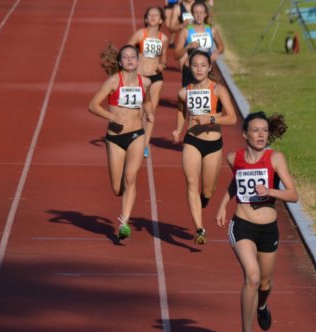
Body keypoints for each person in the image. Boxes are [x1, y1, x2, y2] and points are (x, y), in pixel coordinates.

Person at [216, 112, 299, 332]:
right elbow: (237, 181)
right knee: (251, 277)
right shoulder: (234, 158)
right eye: (255, 130)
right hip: (242, 225)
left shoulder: (275, 158)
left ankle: (262, 306)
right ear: (245, 134)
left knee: (265, 284)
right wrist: (223, 204)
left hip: (268, 229)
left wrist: (270, 191)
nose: (261, 135)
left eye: (264, 130)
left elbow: (293, 195)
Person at [88, 44, 153, 240]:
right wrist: (112, 117)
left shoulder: (145, 82)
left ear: (138, 61)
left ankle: (124, 223)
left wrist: (149, 113)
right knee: (117, 188)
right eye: (125, 57)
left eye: (133, 56)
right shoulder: (114, 81)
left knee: (131, 177)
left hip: (136, 135)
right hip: (115, 138)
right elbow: (93, 105)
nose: (130, 60)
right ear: (120, 62)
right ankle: (125, 190)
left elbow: (147, 101)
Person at [172, 50, 236, 244]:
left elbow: (232, 118)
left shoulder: (218, 90)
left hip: (213, 144)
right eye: (195, 65)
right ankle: (200, 229)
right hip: (192, 140)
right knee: (191, 181)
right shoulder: (184, 92)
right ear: (190, 68)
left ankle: (204, 199)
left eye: (203, 65)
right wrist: (179, 129)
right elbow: (181, 109)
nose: (199, 69)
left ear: (209, 68)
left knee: (208, 190)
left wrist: (210, 119)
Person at [127, 6, 168, 158]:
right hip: (140, 77)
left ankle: (144, 145)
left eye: (156, 15)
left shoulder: (163, 38)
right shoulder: (140, 34)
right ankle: (134, 140)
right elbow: (126, 51)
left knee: (150, 113)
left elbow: (164, 59)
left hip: (156, 78)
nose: (152, 17)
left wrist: (162, 65)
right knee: (137, 111)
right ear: (145, 19)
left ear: (161, 20)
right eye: (150, 15)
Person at [174, 0, 224, 87]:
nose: (199, 15)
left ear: (205, 14)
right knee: (188, 94)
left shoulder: (212, 30)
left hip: (206, 69)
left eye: (201, 12)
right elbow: (176, 55)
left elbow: (221, 47)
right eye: (196, 12)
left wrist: (217, 52)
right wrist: (188, 47)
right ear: (192, 14)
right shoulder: (186, 31)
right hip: (190, 69)